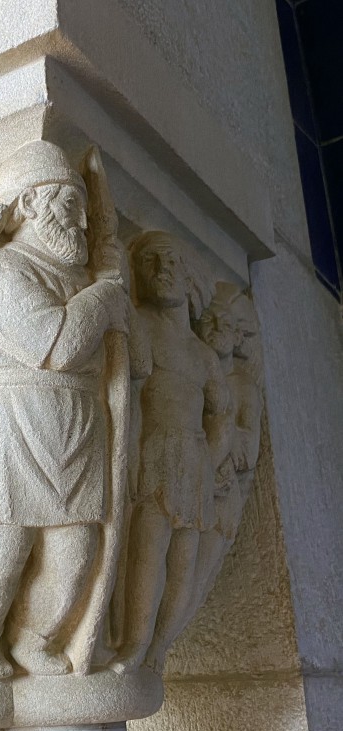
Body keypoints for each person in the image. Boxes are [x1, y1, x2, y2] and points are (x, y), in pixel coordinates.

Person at [0, 140, 130, 680]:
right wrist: (104, 297)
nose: (81, 223)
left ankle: (35, 639)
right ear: (28, 204)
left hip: (78, 424)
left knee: (77, 550)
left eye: (83, 208)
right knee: (4, 546)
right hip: (11, 420)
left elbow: (137, 363)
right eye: (70, 205)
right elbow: (57, 346)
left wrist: (111, 297)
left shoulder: (82, 278)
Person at [111, 232, 229, 674]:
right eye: (150, 263)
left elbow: (220, 413)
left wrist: (210, 459)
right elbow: (124, 389)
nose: (161, 272)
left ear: (189, 278)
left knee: (183, 559)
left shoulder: (203, 354)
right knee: (147, 549)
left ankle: (158, 646)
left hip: (193, 459)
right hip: (153, 451)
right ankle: (134, 641)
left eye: (171, 262)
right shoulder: (138, 324)